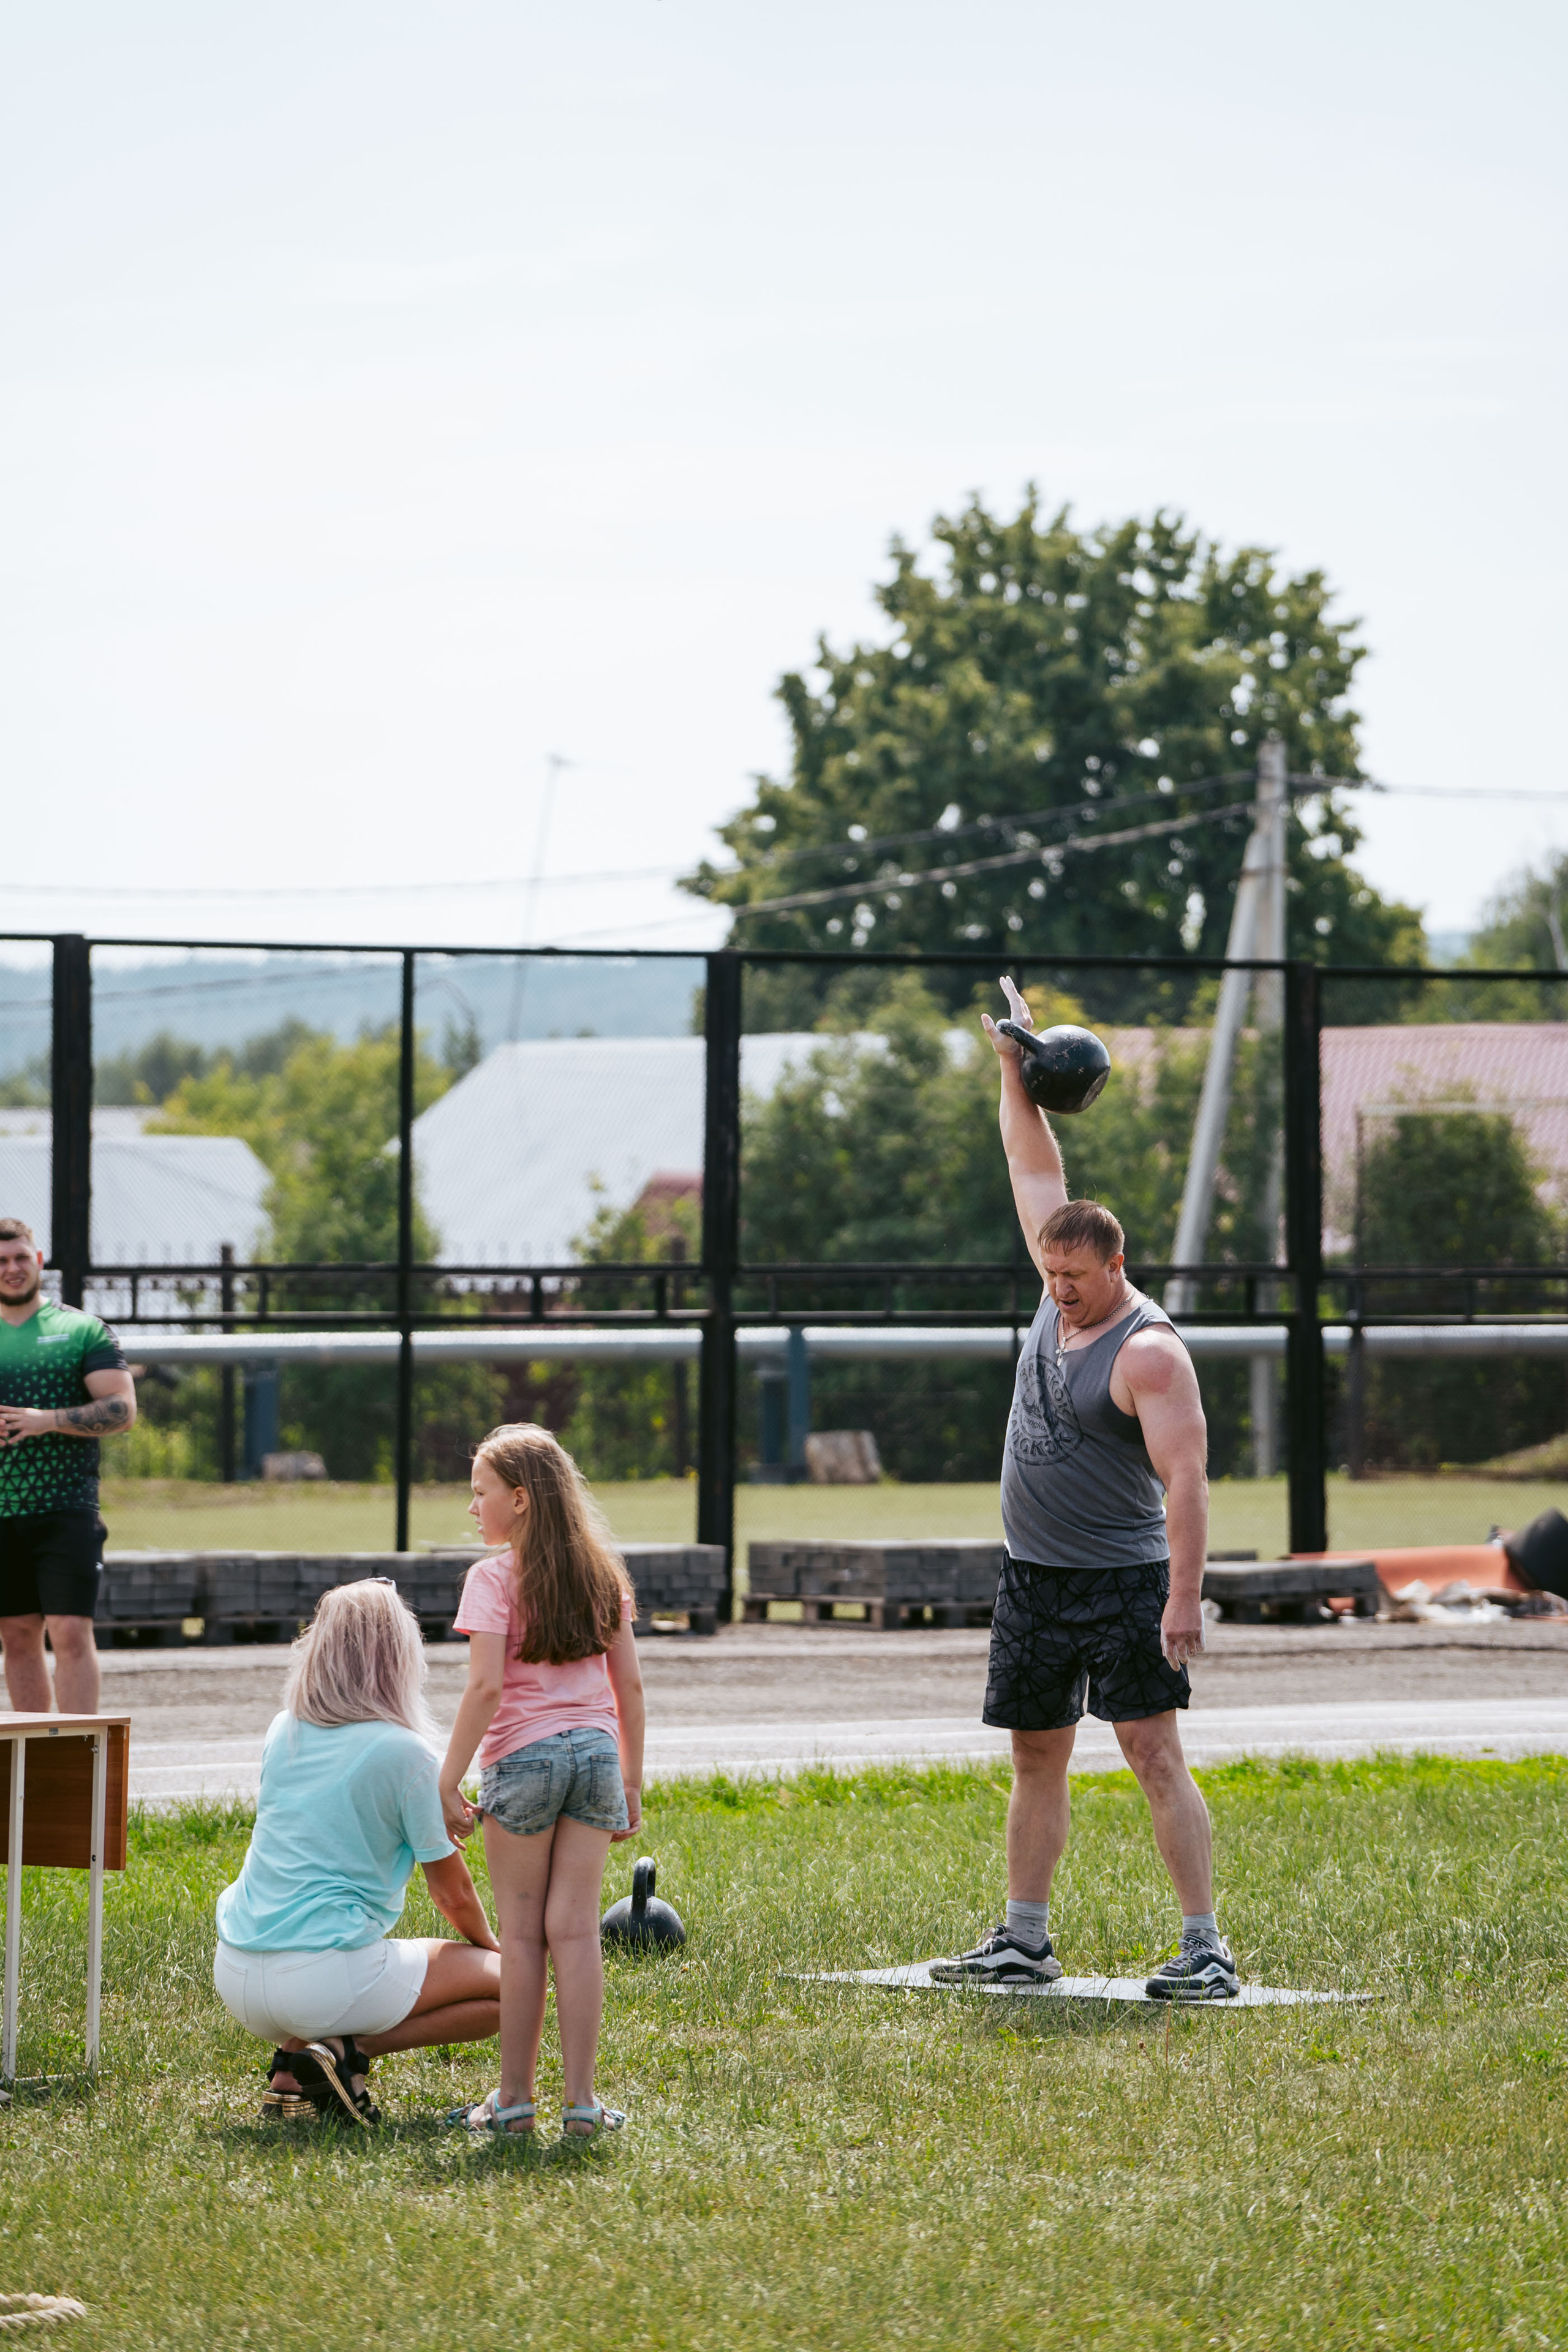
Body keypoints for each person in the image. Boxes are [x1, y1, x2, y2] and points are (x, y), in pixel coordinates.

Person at [934, 976, 1238, 2002]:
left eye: (1076, 1281)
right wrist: (1013, 1071)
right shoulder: (1052, 1275)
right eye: (1050, 1278)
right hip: (1035, 1577)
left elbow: (1188, 1479)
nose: (1060, 1294)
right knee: (1034, 1757)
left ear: (1116, 1265)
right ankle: (1024, 1939)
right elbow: (1033, 1162)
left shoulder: (1149, 1351)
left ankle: (1206, 1947)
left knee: (1154, 1754)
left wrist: (1183, 1596)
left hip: (1122, 1581)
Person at [213, 1577, 502, 2125]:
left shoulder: (284, 1730)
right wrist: (493, 1951)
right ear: (399, 1656)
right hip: (322, 1977)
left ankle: (291, 2066)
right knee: (514, 1989)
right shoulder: (405, 1752)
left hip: (238, 1972)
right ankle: (351, 2053)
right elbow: (453, 1891)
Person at [439, 1422, 646, 2142]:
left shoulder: (491, 1579)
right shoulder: (604, 1574)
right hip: (595, 1759)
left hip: (522, 1764)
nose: (472, 1508)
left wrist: (447, 1779)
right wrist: (632, 1783)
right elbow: (630, 1689)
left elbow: (486, 1689)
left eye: (480, 1492)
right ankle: (584, 2106)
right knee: (578, 1932)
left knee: (523, 1937)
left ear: (520, 1499)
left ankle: (514, 2101)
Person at [0, 1216, 137, 1716]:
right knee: (15, 1635)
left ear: (39, 1262)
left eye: (20, 1258)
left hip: (66, 1508)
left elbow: (123, 1409)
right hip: (1, 1513)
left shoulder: (81, 1330)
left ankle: (81, 1754)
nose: (12, 1269)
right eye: (2, 1261)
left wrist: (47, 1420)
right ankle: (36, 1766)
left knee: (70, 1630)